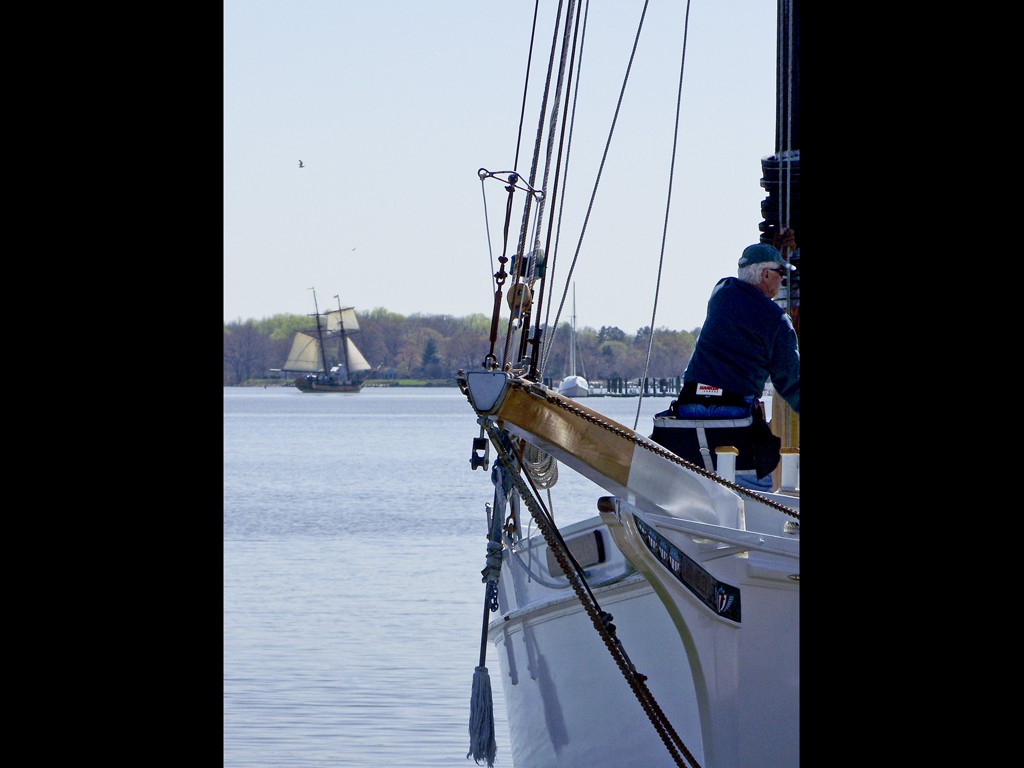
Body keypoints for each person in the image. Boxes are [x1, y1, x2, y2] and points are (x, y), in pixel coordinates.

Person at [668, 229, 799, 490]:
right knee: (754, 485)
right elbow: (791, 382)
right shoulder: (777, 322)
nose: (782, 282)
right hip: (734, 420)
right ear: (765, 275)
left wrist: (770, 252)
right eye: (780, 275)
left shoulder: (721, 292)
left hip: (689, 412)